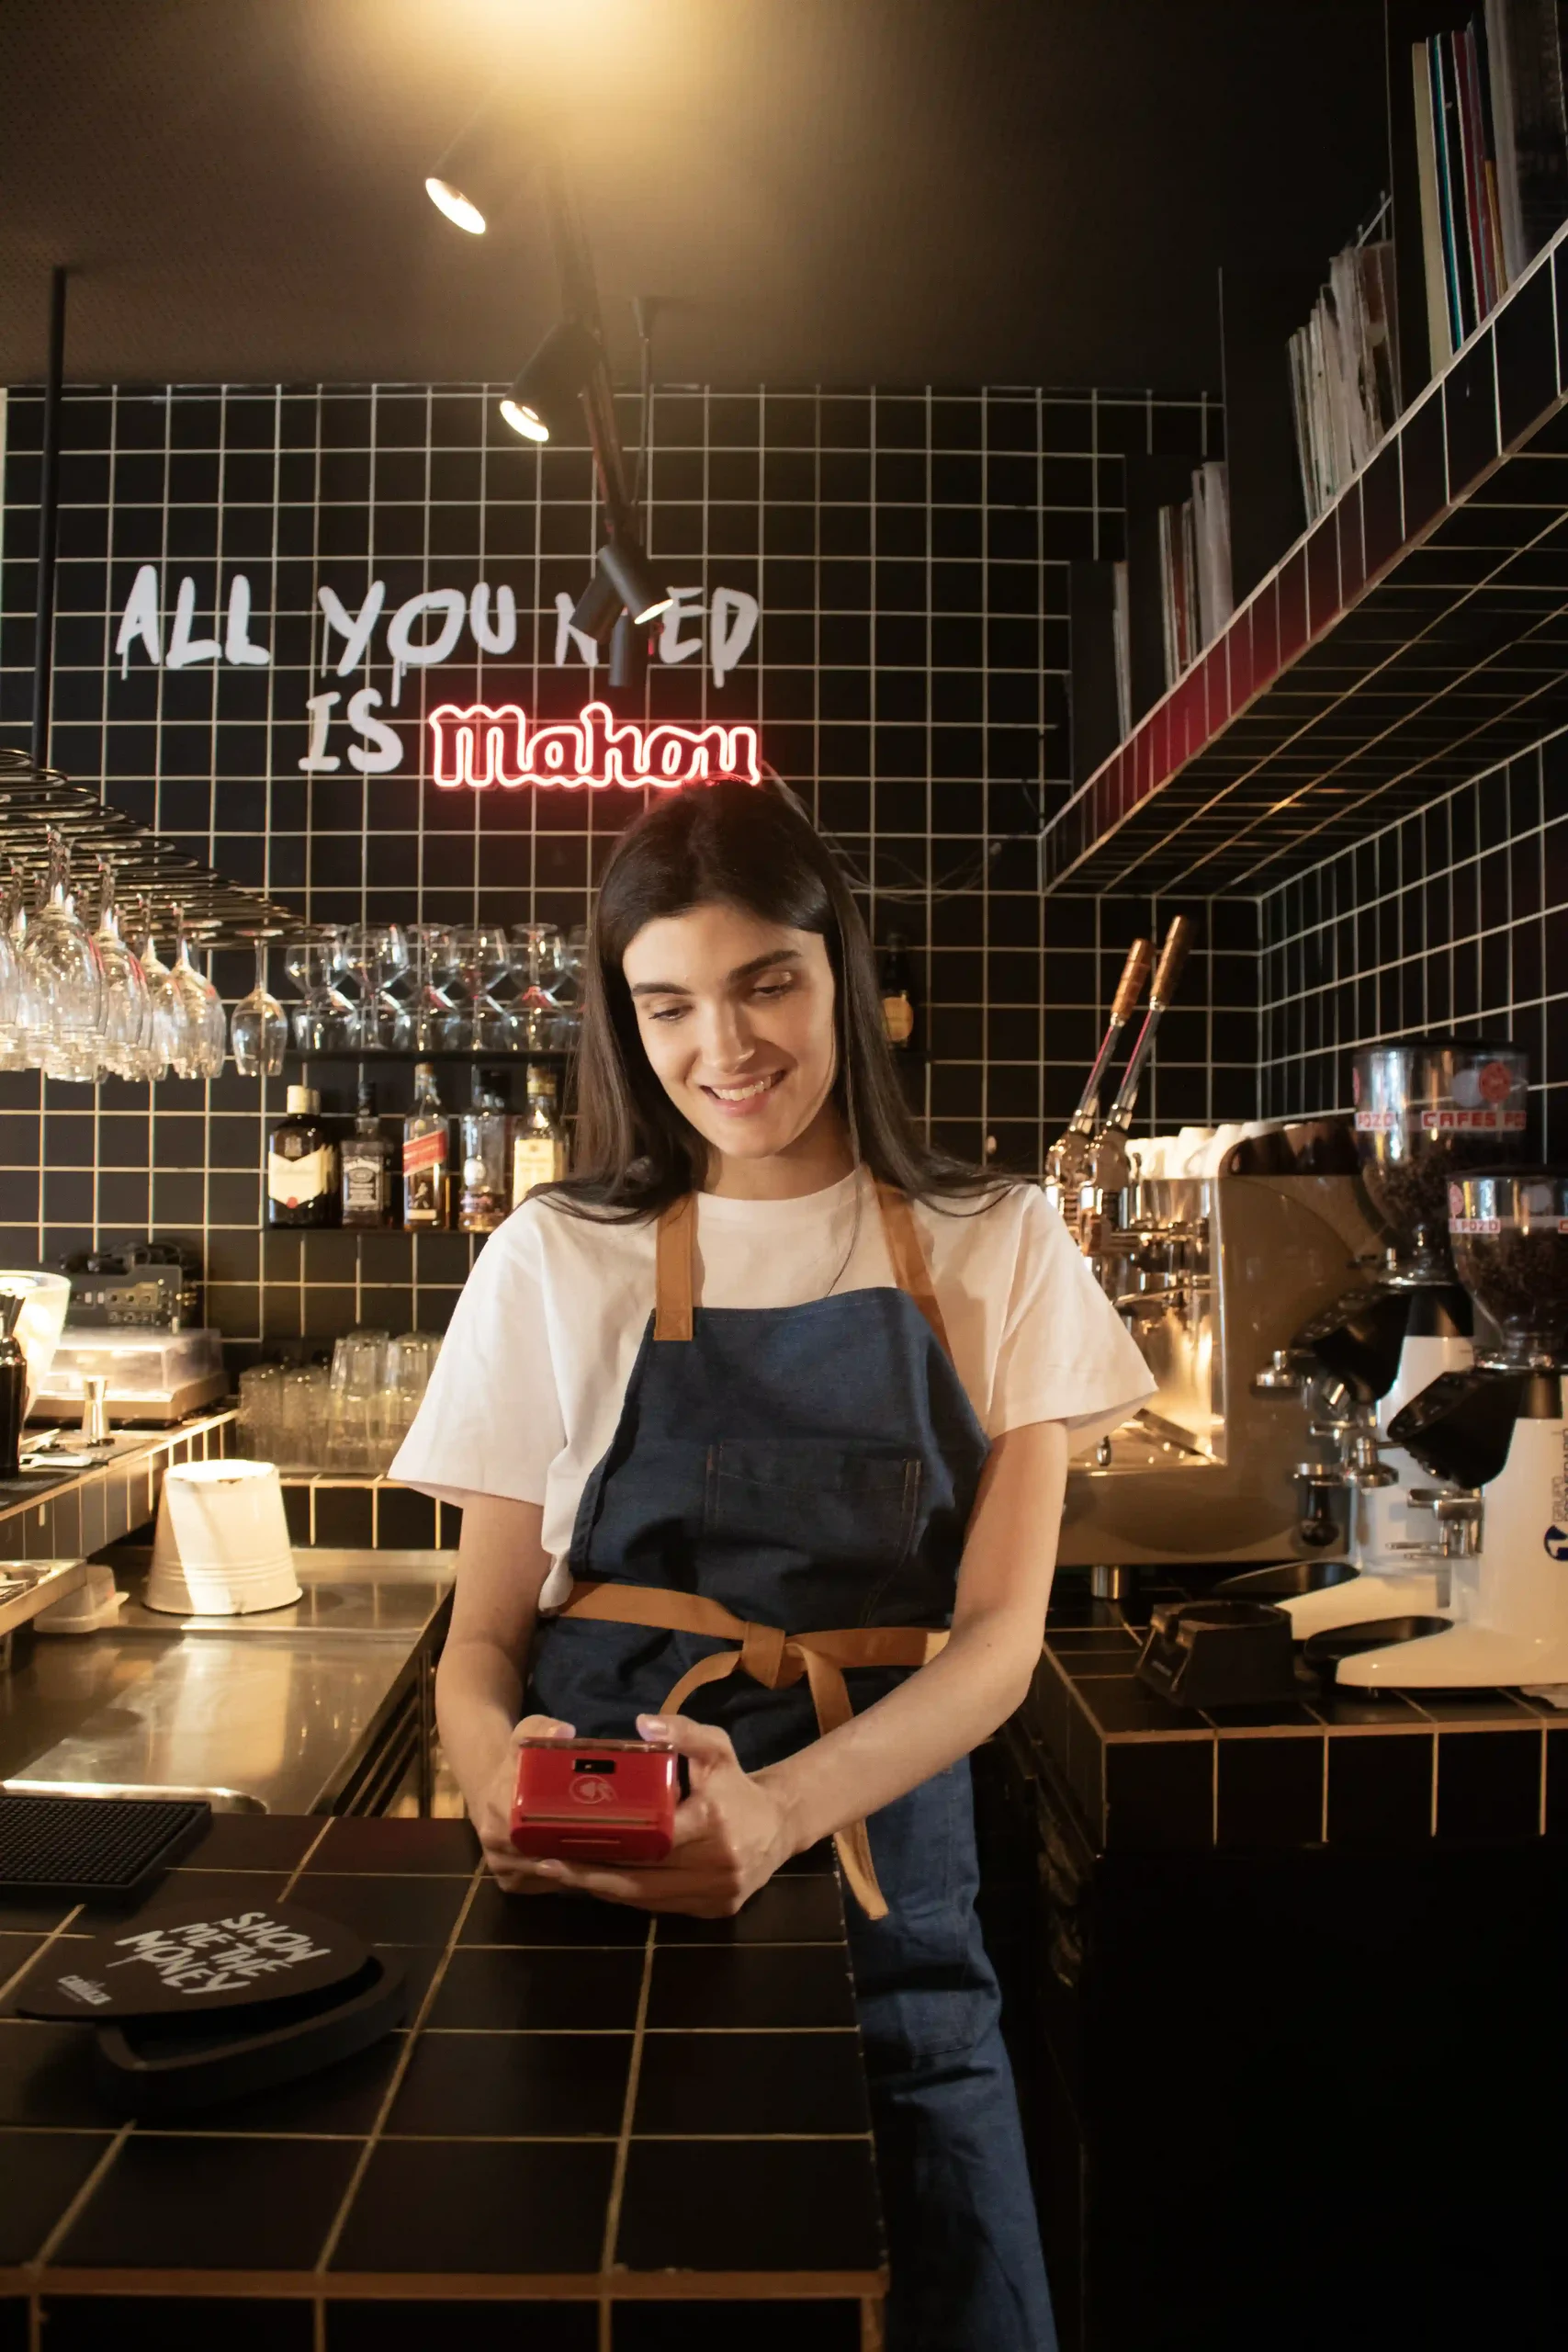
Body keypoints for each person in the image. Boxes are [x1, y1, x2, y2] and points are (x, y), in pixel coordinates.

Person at [392, 778, 1153, 2352]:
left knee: (947, 2280)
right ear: (623, 1021)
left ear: (845, 976)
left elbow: (998, 1645)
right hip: (599, 1878)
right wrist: (495, 1787)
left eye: (765, 985)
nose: (722, 1050)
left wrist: (783, 1810)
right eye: (666, 1005)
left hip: (888, 1873)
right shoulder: (554, 1255)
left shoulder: (996, 1241)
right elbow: (474, 1653)